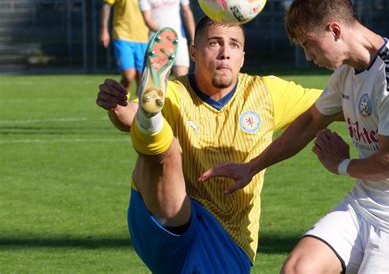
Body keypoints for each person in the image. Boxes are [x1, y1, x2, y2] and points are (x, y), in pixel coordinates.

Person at [201, 0, 389, 273]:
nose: (308, 56)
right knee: (298, 269)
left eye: (309, 44)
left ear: (335, 30)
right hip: (364, 206)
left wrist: (340, 164)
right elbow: (309, 122)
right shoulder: (346, 74)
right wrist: (252, 167)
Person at [95, 16, 323, 273]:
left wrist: (369, 78)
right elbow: (130, 115)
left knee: (162, 139)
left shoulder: (266, 93)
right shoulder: (173, 93)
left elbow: (334, 103)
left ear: (243, 57)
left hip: (231, 238)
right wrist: (118, 106)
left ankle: (152, 125)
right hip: (166, 218)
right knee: (167, 149)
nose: (225, 53)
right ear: (194, 53)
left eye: (234, 45)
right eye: (215, 43)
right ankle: (152, 124)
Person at [100, 0, 152, 97]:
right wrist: (104, 30)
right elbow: (106, 5)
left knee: (141, 78)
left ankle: (137, 111)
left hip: (143, 37)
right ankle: (119, 102)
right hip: (122, 35)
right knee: (128, 76)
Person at [138, 0, 195, 78]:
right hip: (157, 43)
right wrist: (164, 35)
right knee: (158, 83)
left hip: (179, 40)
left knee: (182, 80)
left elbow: (187, 12)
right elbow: (147, 19)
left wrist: (193, 37)